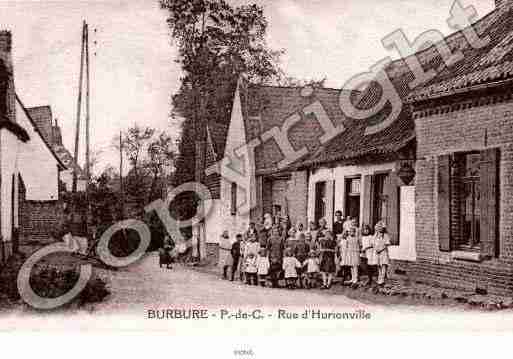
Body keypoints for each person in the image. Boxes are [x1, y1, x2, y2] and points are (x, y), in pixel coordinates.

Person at [373, 221, 391, 285]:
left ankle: (382, 279)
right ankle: (379, 277)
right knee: (378, 266)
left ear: (383, 228)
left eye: (380, 227)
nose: (379, 228)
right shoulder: (375, 235)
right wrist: (376, 249)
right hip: (377, 252)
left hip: (383, 252)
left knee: (383, 265)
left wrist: (380, 249)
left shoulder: (385, 235)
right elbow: (373, 243)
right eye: (378, 227)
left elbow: (386, 244)